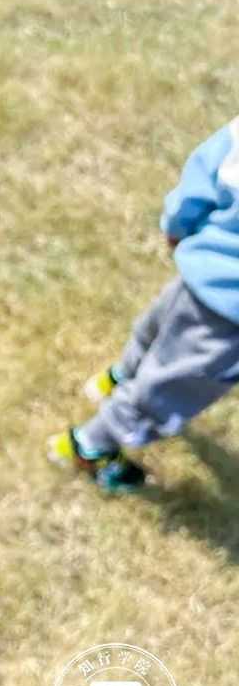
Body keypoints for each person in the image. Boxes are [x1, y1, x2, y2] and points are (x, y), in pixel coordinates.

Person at [48, 117, 239, 492]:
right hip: (229, 315)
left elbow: (202, 177)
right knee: (168, 390)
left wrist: (177, 227)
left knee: (155, 332)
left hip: (199, 272)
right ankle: (88, 447)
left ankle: (117, 379)